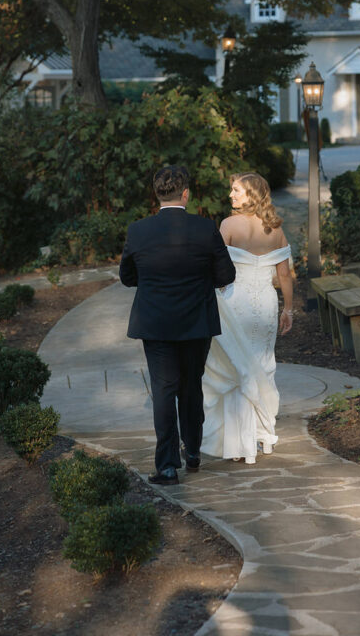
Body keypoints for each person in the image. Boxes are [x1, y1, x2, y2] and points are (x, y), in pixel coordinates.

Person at [120, 165, 236, 486]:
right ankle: (194, 450)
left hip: (155, 323)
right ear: (186, 194)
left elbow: (127, 277)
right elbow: (226, 275)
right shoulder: (204, 228)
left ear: (157, 194)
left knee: (163, 389)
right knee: (191, 385)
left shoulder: (138, 231)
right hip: (196, 322)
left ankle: (168, 466)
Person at [201, 172, 293, 465]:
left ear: (251, 194)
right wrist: (288, 309)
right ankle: (263, 436)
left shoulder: (228, 225)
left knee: (237, 365)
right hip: (266, 303)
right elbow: (284, 275)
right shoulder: (276, 229)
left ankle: (239, 444)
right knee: (262, 363)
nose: (231, 195)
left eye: (237, 191)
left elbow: (213, 266)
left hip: (234, 302)